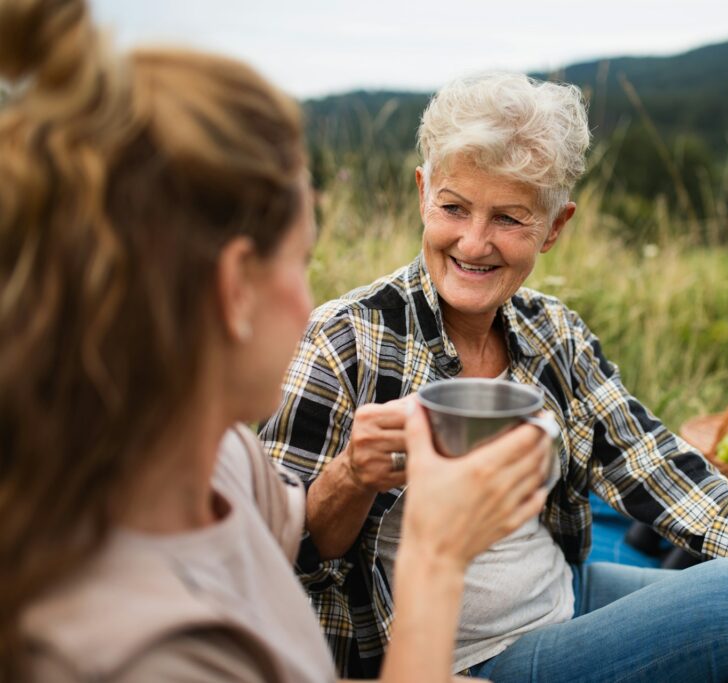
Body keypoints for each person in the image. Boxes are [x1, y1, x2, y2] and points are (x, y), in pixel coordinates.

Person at [261, 71, 728, 682]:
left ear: (555, 226)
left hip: (564, 593)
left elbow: (655, 463)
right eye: (455, 207)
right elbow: (279, 554)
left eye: (510, 218)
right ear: (423, 192)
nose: (474, 241)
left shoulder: (549, 331)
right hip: (466, 657)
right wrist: (350, 479)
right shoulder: (346, 339)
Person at [0, 1, 552, 681]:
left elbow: (295, 540)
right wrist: (435, 561)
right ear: (235, 288)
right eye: (300, 259)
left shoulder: (217, 458)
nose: (310, 298)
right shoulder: (140, 652)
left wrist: (356, 465)